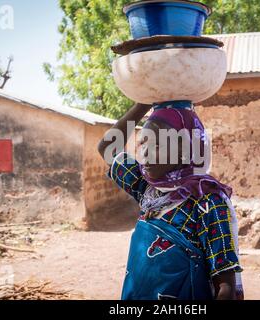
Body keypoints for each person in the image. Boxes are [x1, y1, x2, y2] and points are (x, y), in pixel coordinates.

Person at [98, 101, 244, 300]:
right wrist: (143, 103)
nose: (146, 153)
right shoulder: (148, 189)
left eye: (156, 145)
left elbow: (225, 287)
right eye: (143, 144)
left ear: (185, 149)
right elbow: (107, 148)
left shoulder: (207, 202)